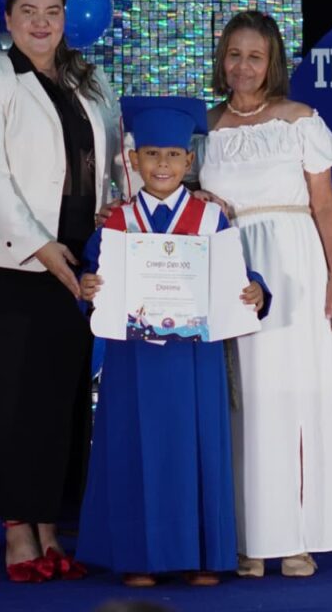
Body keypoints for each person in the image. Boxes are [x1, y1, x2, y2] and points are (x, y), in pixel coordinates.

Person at [0, 0, 127, 583]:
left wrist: (114, 209)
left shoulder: (89, 78)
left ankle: (50, 527)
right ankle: (16, 534)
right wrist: (40, 246)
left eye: (52, 11)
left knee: (59, 399)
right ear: (8, 18)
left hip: (75, 259)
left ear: (64, 17)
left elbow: (112, 158)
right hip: (4, 262)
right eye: (28, 11)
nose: (41, 22)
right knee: (7, 397)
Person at [76, 96, 270, 587]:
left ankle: (202, 555)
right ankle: (139, 558)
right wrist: (87, 286)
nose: (162, 164)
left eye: (172, 155)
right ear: (134, 159)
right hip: (134, 356)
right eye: (151, 154)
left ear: (189, 160)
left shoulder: (211, 220)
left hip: (194, 355)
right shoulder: (117, 222)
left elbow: (238, 275)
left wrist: (256, 290)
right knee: (135, 449)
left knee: (195, 448)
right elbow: (91, 276)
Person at [196, 10, 332, 578]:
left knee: (294, 396)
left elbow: (326, 205)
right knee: (243, 401)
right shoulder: (204, 128)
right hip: (231, 268)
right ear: (222, 60)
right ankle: (249, 538)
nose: (243, 66)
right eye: (234, 55)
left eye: (255, 57)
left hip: (294, 266)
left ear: (272, 64)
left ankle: (295, 538)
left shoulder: (300, 120)